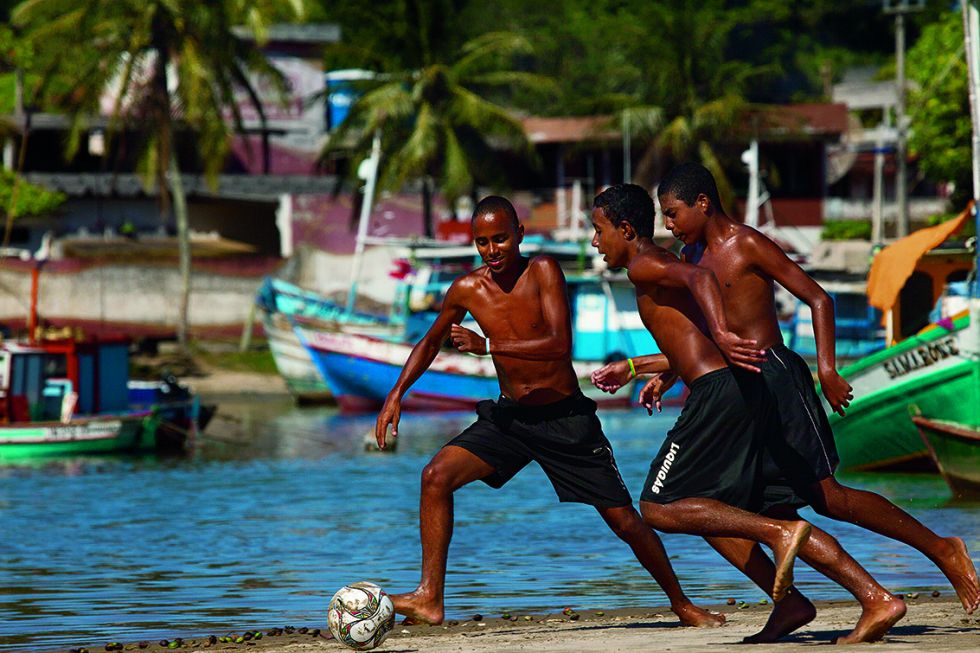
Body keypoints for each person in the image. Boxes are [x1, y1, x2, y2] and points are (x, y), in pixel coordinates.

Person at [374, 195, 724, 628]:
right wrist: (396, 393)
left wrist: (487, 346)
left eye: (500, 238)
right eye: (482, 242)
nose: (492, 250)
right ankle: (430, 597)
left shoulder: (542, 270)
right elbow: (431, 340)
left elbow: (559, 344)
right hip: (510, 420)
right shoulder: (467, 289)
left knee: (624, 520)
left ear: (519, 234)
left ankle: (681, 603)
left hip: (566, 421)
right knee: (435, 476)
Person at [651, 162, 980, 617]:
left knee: (829, 497)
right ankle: (851, 602)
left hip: (780, 379)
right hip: (742, 395)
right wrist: (665, 373)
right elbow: (708, 336)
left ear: (702, 204)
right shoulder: (690, 260)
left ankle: (943, 549)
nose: (668, 225)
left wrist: (827, 368)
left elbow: (818, 298)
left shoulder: (745, 243)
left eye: (673, 213)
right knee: (738, 509)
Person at [586, 184, 820, 611]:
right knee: (706, 509)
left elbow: (702, 277)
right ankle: (791, 604)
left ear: (624, 228)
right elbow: (689, 338)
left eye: (599, 231)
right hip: (723, 385)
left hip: (716, 391)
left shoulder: (643, 266)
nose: (594, 242)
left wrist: (726, 335)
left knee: (658, 506)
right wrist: (656, 371)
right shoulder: (659, 262)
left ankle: (777, 533)